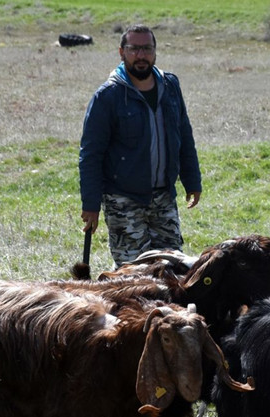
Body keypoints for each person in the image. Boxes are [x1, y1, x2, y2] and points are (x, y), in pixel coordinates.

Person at [79, 24, 202, 268]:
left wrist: (192, 181)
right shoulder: (108, 96)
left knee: (171, 267)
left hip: (163, 195)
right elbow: (91, 155)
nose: (141, 55)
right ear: (121, 52)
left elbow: (184, 136)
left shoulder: (170, 87)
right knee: (133, 270)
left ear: (155, 52)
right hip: (122, 198)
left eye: (147, 48)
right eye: (134, 49)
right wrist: (90, 205)